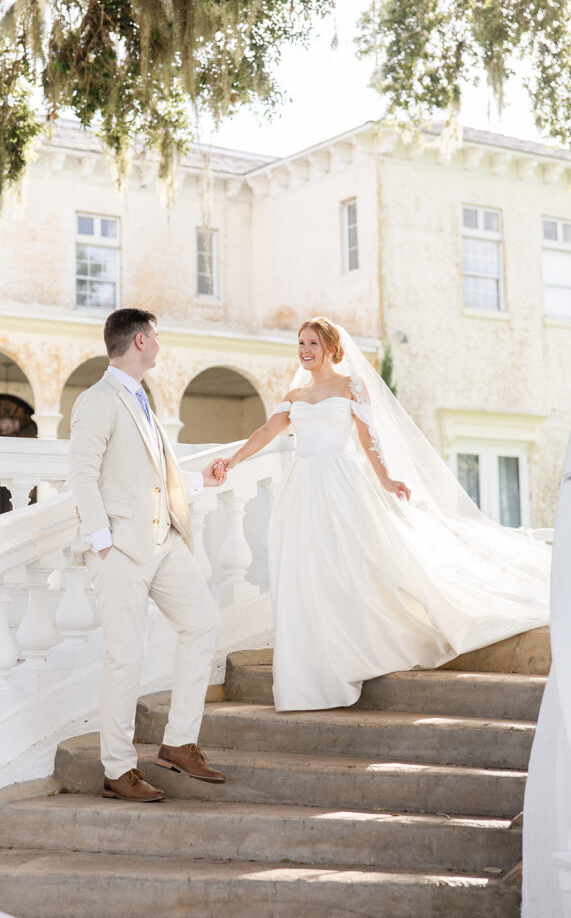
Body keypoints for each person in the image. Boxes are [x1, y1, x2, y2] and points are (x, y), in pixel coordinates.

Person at [218, 316, 550, 712]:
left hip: (339, 484)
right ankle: (311, 666)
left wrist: (388, 480)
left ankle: (352, 646)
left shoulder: (350, 386)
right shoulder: (295, 394)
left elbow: (368, 440)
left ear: (330, 347)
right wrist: (232, 460)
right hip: (302, 489)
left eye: (312, 343)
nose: (305, 351)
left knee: (350, 564)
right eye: (301, 343)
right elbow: (265, 433)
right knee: (305, 569)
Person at [69, 308, 228, 801]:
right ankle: (118, 769)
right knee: (126, 656)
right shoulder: (97, 400)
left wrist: (202, 480)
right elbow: (81, 474)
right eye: (156, 335)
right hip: (120, 548)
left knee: (202, 623)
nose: (160, 342)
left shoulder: (141, 398)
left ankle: (179, 743)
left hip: (164, 543)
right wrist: (103, 542)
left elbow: (157, 474)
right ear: (139, 340)